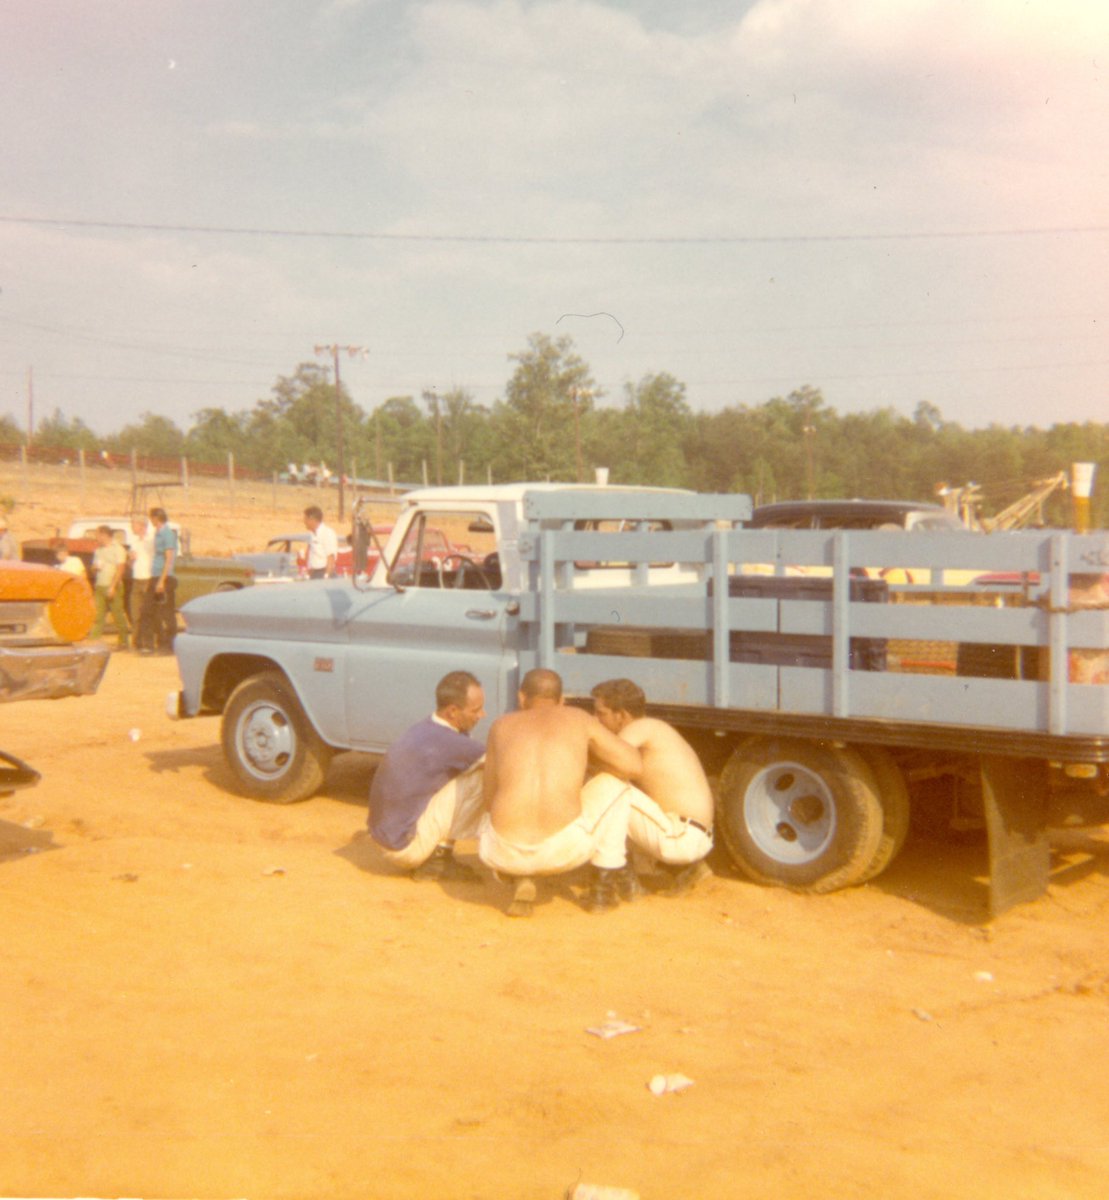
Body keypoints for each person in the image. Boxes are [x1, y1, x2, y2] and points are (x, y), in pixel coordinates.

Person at [478, 668, 642, 917]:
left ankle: (520, 873)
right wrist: (589, 762)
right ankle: (603, 889)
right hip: (562, 852)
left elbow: (488, 800)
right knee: (618, 785)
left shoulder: (500, 725)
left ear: (522, 697)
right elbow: (634, 766)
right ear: (561, 700)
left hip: (500, 852)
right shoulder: (578, 718)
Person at [591, 678, 715, 894]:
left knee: (610, 787)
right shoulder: (656, 727)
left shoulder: (640, 728)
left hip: (681, 837)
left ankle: (616, 876)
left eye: (601, 713)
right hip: (690, 835)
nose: (595, 719)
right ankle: (679, 870)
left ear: (621, 715)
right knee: (616, 786)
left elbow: (608, 764)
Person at [367, 671, 488, 881]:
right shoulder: (450, 742)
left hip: (387, 837)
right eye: (475, 710)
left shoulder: (425, 728)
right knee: (483, 777)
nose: (482, 715)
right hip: (406, 847)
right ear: (452, 711)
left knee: (469, 772)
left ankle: (435, 854)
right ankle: (438, 860)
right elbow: (500, 763)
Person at [138, 507, 177, 654]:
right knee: (148, 611)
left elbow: (169, 558)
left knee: (167, 614)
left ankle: (170, 646)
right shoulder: (157, 533)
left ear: (156, 518)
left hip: (165, 578)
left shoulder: (167, 534)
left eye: (151, 518)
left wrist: (162, 580)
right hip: (156, 576)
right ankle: (149, 645)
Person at [89, 525, 129, 650]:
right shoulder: (98, 550)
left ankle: (123, 641)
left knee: (117, 614)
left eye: (97, 535)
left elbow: (120, 568)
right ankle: (94, 641)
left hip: (112, 586)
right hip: (100, 585)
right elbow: (93, 570)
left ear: (104, 535)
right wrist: (94, 568)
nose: (96, 538)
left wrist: (113, 586)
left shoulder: (118, 549)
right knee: (98, 615)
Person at [128, 516, 155, 652]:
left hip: (147, 579)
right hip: (137, 579)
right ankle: (136, 643)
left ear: (143, 526)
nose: (132, 527)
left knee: (147, 613)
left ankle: (148, 644)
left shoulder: (151, 541)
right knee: (135, 613)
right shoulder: (134, 542)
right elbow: (131, 563)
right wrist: (131, 560)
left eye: (134, 525)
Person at [303, 505, 338, 579]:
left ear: (312, 519)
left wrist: (326, 576)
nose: (304, 522)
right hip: (314, 573)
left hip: (323, 572)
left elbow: (330, 557)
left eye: (305, 519)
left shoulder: (327, 533)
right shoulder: (312, 535)